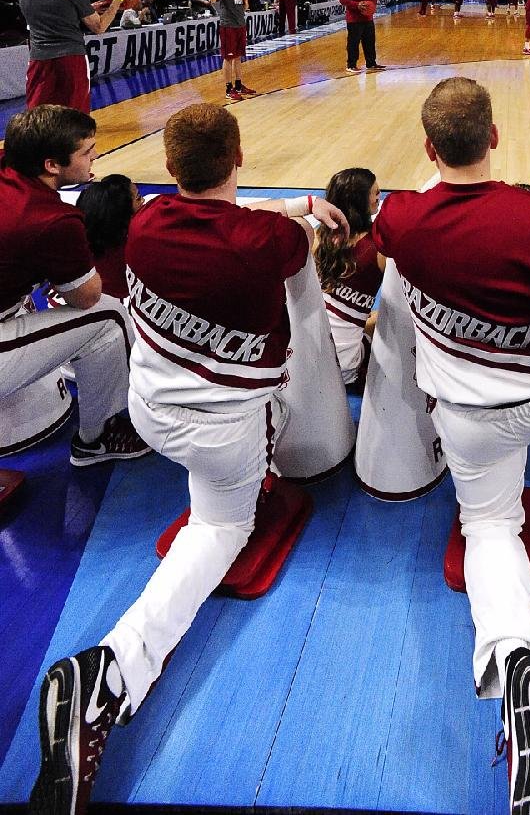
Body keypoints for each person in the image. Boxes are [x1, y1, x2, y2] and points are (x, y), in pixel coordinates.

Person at [28, 104, 350, 815]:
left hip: (148, 413)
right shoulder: (272, 240)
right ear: (240, 155)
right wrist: (303, 212)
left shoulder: (146, 223)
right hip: (222, 431)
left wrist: (296, 203)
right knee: (219, 530)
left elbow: (223, 214)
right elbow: (283, 249)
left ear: (170, 172)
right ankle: (111, 669)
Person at [369, 78, 530, 815]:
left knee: (490, 528)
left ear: (429, 148)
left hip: (466, 418)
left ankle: (512, 658)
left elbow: (384, 247)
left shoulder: (401, 218)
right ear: (497, 139)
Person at [0, 105, 149, 467]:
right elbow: (87, 297)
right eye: (86, 151)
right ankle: (96, 440)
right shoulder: (53, 220)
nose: (95, 156)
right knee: (110, 316)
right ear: (51, 165)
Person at [17, 0, 127, 111]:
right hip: (70, 58)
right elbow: (99, 27)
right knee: (75, 115)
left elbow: (50, 13)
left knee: (39, 114)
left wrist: (82, 9)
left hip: (38, 58)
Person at [314, 166, 384, 388]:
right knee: (382, 318)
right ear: (361, 202)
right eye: (375, 193)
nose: (379, 197)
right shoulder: (377, 248)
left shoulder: (317, 236)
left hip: (307, 362)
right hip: (347, 369)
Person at [77, 173, 144, 306]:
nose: (143, 201)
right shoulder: (132, 248)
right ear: (122, 212)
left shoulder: (74, 239)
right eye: (138, 198)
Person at [204, 0, 258, 104]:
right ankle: (229, 89)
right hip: (228, 26)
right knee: (228, 58)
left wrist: (246, 0)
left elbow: (245, 8)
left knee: (238, 57)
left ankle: (239, 86)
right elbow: (214, 1)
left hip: (241, 24)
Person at [339, 0, 382, 72]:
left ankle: (371, 63)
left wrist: (372, 4)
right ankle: (351, 65)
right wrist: (357, 5)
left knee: (370, 41)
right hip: (354, 18)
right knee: (353, 42)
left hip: (368, 17)